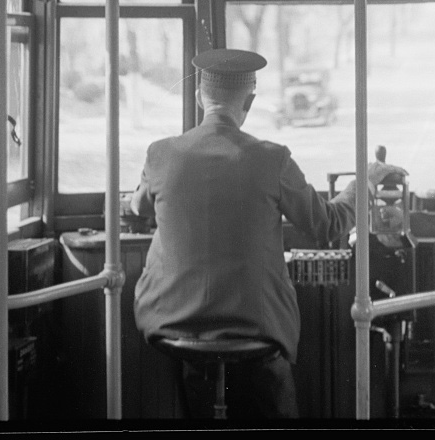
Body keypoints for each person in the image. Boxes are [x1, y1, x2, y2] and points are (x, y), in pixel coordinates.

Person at [131, 48, 405, 420]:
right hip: (255, 328)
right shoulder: (272, 159)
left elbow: (138, 208)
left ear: (199, 95)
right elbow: (328, 224)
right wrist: (363, 182)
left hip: (172, 323)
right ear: (250, 100)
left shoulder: (161, 154)